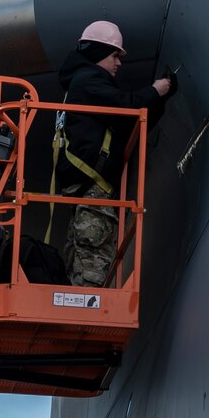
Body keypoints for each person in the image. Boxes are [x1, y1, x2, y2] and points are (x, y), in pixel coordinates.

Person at [53, 20, 174, 287]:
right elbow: (126, 108)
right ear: (97, 54)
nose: (118, 63)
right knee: (93, 261)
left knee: (82, 255)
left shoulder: (81, 86)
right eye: (114, 56)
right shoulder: (89, 82)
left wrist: (158, 100)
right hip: (92, 188)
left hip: (86, 186)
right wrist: (157, 89)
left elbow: (131, 123)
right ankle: (86, 310)